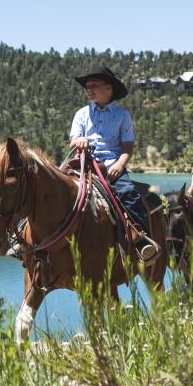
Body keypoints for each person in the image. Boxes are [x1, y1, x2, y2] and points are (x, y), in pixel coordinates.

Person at [68, 65, 160, 264]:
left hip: (111, 167)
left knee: (128, 192)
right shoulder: (81, 114)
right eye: (87, 87)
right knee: (50, 185)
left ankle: (141, 240)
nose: (89, 90)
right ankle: (26, 237)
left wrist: (119, 164)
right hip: (83, 164)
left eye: (94, 85)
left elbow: (128, 147)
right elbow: (74, 139)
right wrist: (79, 141)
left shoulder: (122, 116)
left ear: (109, 89)